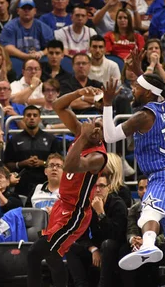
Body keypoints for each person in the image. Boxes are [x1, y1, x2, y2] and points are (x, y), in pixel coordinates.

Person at [102, 72, 165, 287]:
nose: (133, 90)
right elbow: (159, 87)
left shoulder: (144, 115)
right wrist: (138, 70)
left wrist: (107, 104)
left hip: (163, 175)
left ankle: (149, 245)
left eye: (137, 87)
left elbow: (110, 136)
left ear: (149, 93)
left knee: (148, 212)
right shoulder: (163, 106)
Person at [26, 87, 107, 287]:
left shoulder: (99, 156)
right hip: (62, 205)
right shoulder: (82, 133)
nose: (96, 129)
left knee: (35, 253)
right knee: (53, 256)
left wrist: (81, 137)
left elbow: (69, 165)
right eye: (95, 125)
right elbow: (57, 105)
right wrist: (79, 92)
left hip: (76, 213)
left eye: (101, 128)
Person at [65, 173, 128, 287]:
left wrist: (101, 213)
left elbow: (116, 234)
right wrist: (93, 249)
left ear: (108, 187)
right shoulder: (86, 205)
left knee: (107, 244)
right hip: (97, 247)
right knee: (70, 247)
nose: (98, 189)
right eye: (94, 186)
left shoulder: (118, 204)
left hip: (116, 248)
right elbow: (80, 234)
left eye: (102, 186)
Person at [3, 106, 61, 196]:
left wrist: (43, 163)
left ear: (39, 118)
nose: (32, 118)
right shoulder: (14, 140)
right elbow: (7, 164)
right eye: (28, 115)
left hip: (45, 183)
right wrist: (22, 163)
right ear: (24, 118)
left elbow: (60, 162)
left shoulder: (51, 139)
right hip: (21, 184)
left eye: (35, 115)